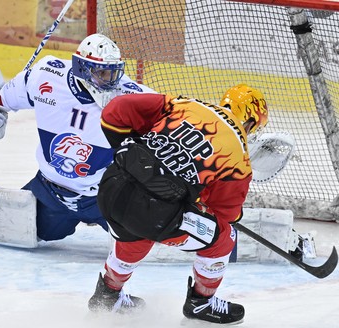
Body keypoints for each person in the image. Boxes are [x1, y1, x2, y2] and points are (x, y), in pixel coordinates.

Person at [0, 34, 154, 246]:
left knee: (146, 242)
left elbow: (171, 124)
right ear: (82, 68)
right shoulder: (47, 75)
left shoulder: (132, 99)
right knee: (27, 231)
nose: (109, 81)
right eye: (101, 73)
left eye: (113, 73)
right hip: (50, 193)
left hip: (108, 196)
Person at [87, 84, 268, 324]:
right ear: (251, 122)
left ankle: (108, 295)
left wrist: (137, 158)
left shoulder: (184, 104)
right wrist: (197, 200)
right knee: (224, 238)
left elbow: (115, 110)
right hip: (153, 214)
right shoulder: (240, 158)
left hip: (111, 187)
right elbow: (225, 214)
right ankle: (201, 303)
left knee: (135, 231)